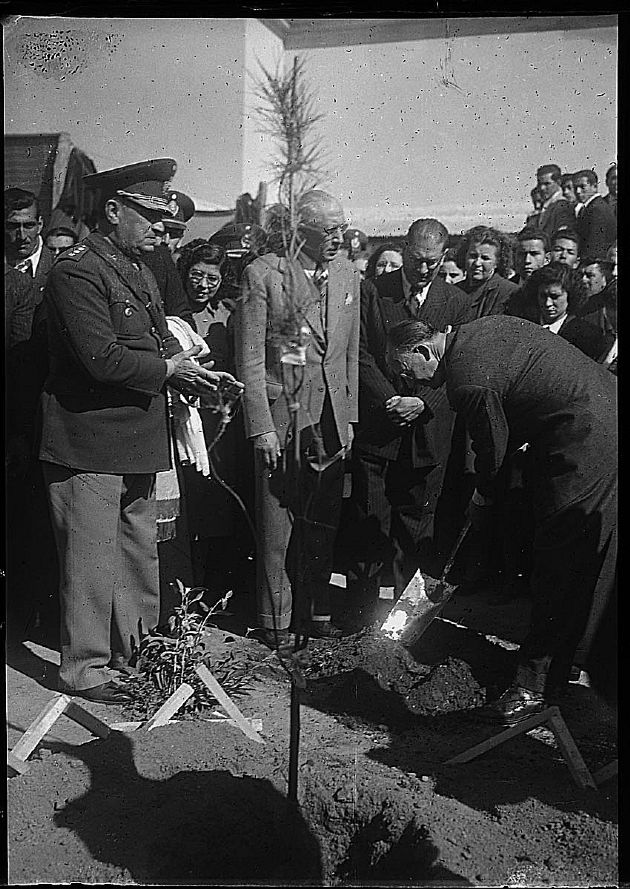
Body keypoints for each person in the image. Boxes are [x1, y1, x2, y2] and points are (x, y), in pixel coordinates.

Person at [39, 158, 242, 704]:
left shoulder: (139, 268)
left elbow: (157, 340)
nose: (161, 229)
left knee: (137, 554)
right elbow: (101, 358)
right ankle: (85, 670)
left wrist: (193, 370)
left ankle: (138, 654)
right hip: (89, 441)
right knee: (89, 560)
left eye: (165, 221)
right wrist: (168, 370)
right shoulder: (76, 271)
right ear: (113, 211)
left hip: (135, 439)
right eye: (150, 216)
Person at [387, 315, 617, 724]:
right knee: (584, 555)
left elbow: (491, 450)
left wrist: (483, 497)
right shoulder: (480, 329)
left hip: (587, 437)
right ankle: (562, 669)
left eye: (409, 373)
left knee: (561, 558)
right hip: (599, 413)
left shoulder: (467, 379)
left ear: (425, 351)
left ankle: (533, 688)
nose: (414, 384)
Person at [233, 189, 360, 648]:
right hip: (283, 418)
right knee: (277, 526)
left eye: (342, 228)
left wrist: (349, 419)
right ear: (299, 229)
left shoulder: (347, 274)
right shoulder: (264, 274)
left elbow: (347, 355)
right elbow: (249, 360)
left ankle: (316, 611)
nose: (339, 238)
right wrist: (261, 426)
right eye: (329, 230)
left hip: (329, 420)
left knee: (321, 523)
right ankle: (275, 620)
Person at [346, 218, 473, 627]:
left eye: (433, 262)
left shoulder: (456, 302)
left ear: (445, 256)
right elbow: (361, 354)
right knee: (369, 527)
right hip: (379, 430)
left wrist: (421, 402)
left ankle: (402, 629)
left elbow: (459, 364)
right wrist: (392, 401)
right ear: (404, 249)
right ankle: (360, 624)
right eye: (417, 260)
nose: (424, 269)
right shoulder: (373, 293)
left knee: (416, 534)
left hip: (427, 433)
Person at [530, 262, 607, 360]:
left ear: (570, 296)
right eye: (543, 296)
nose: (547, 303)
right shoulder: (526, 324)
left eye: (555, 297)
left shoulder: (588, 335)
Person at [4, 187, 55, 308]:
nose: (21, 236)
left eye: (29, 225)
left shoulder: (58, 267)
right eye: (13, 226)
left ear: (40, 224)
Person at [456, 225, 519, 319]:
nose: (477, 263)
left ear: (497, 262)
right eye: (473, 256)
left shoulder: (509, 292)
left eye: (485, 258)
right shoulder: (454, 291)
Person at [573, 169, 617, 261]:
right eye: (575, 187)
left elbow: (594, 246)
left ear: (594, 186)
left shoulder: (596, 209)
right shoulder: (593, 207)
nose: (578, 191)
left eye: (582, 187)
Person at [534, 164, 576, 237]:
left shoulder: (562, 205)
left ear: (558, 182)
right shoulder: (548, 203)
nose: (542, 188)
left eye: (547, 184)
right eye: (540, 184)